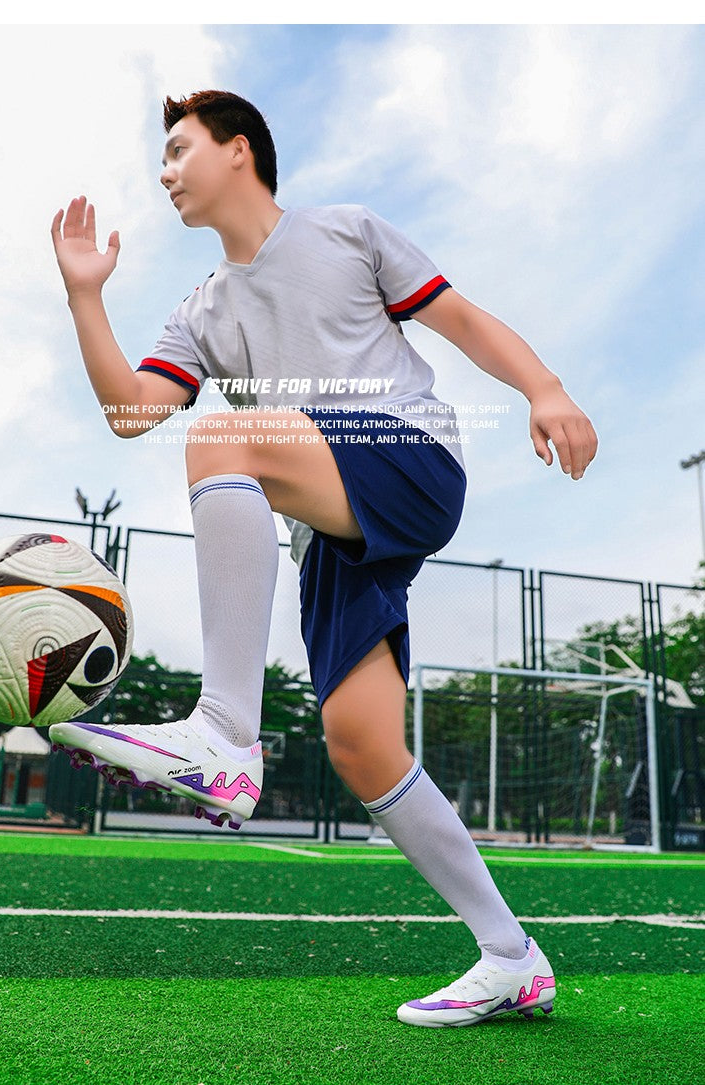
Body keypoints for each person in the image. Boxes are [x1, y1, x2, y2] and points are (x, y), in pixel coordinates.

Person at [48, 90, 598, 1027]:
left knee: (222, 437)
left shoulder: (346, 231)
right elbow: (133, 411)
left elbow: (462, 321)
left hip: (407, 455)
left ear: (239, 149)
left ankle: (224, 731)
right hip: (330, 526)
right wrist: (84, 296)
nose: (165, 171)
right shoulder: (200, 311)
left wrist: (545, 388)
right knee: (361, 743)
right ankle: (513, 956)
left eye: (179, 149)